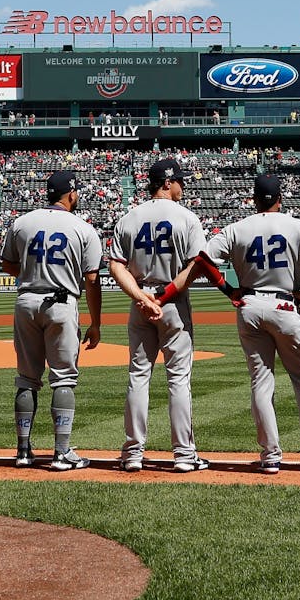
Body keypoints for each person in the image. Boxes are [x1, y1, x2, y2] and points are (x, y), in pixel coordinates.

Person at [158, 173, 300, 474]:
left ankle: (270, 456)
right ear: (280, 198)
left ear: (253, 200)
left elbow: (203, 258)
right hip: (285, 304)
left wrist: (227, 289)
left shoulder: (236, 228)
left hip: (250, 305)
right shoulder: (297, 225)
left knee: (261, 381)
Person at [108, 158, 209, 472]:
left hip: (141, 301)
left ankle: (133, 454)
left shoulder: (128, 218)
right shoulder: (186, 218)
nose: (182, 186)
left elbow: (115, 265)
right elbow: (199, 262)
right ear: (167, 182)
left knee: (138, 378)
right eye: (179, 180)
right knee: (178, 380)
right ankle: (183, 455)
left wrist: (142, 297)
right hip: (172, 302)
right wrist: (164, 296)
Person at [0, 169, 105, 471]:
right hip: (62, 302)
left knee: (26, 378)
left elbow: (8, 263)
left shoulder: (23, 222)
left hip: (26, 301)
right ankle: (61, 453)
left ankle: (22, 451)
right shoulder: (82, 228)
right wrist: (95, 323)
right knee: (63, 378)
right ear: (71, 194)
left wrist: (32, 276)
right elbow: (93, 278)